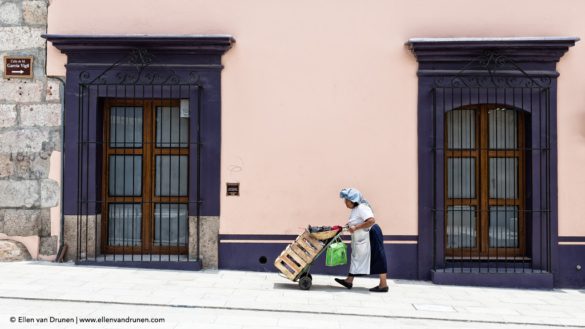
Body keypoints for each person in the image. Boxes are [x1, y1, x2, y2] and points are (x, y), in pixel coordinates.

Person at [335, 188, 389, 292]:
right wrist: (349, 226)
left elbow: (371, 221)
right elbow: (357, 221)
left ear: (353, 200)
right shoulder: (355, 209)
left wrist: (355, 228)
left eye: (347, 200)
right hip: (363, 237)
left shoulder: (361, 207)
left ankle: (383, 285)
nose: (345, 203)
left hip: (371, 234)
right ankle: (349, 281)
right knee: (356, 257)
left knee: (378, 257)